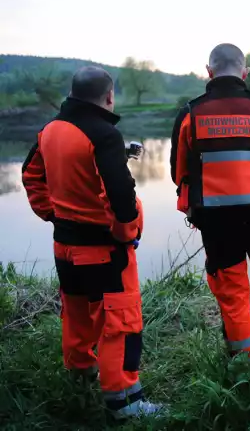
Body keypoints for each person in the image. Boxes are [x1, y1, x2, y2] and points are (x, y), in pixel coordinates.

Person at [21, 66, 162, 421]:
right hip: (102, 251)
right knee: (120, 324)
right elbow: (121, 196)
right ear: (109, 96)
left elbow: (31, 175)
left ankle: (82, 373)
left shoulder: (50, 130)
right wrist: (126, 234)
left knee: (78, 314)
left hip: (64, 248)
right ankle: (124, 403)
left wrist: (51, 214)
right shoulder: (104, 135)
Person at [170, 43, 250, 360]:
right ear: (245, 72)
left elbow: (179, 173)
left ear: (209, 72)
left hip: (215, 220)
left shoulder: (190, 114)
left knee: (231, 288)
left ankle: (247, 361)